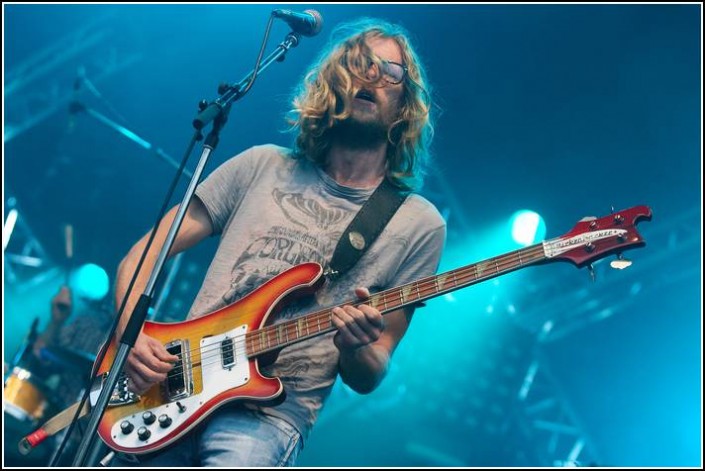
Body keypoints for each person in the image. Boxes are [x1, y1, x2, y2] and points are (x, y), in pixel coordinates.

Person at [111, 18, 446, 467]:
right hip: (175, 389)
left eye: (391, 72)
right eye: (361, 64)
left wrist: (357, 345)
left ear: (405, 105)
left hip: (267, 418)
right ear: (335, 81)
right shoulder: (260, 165)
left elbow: (370, 372)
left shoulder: (418, 223)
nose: (373, 76)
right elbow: (144, 255)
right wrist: (129, 334)